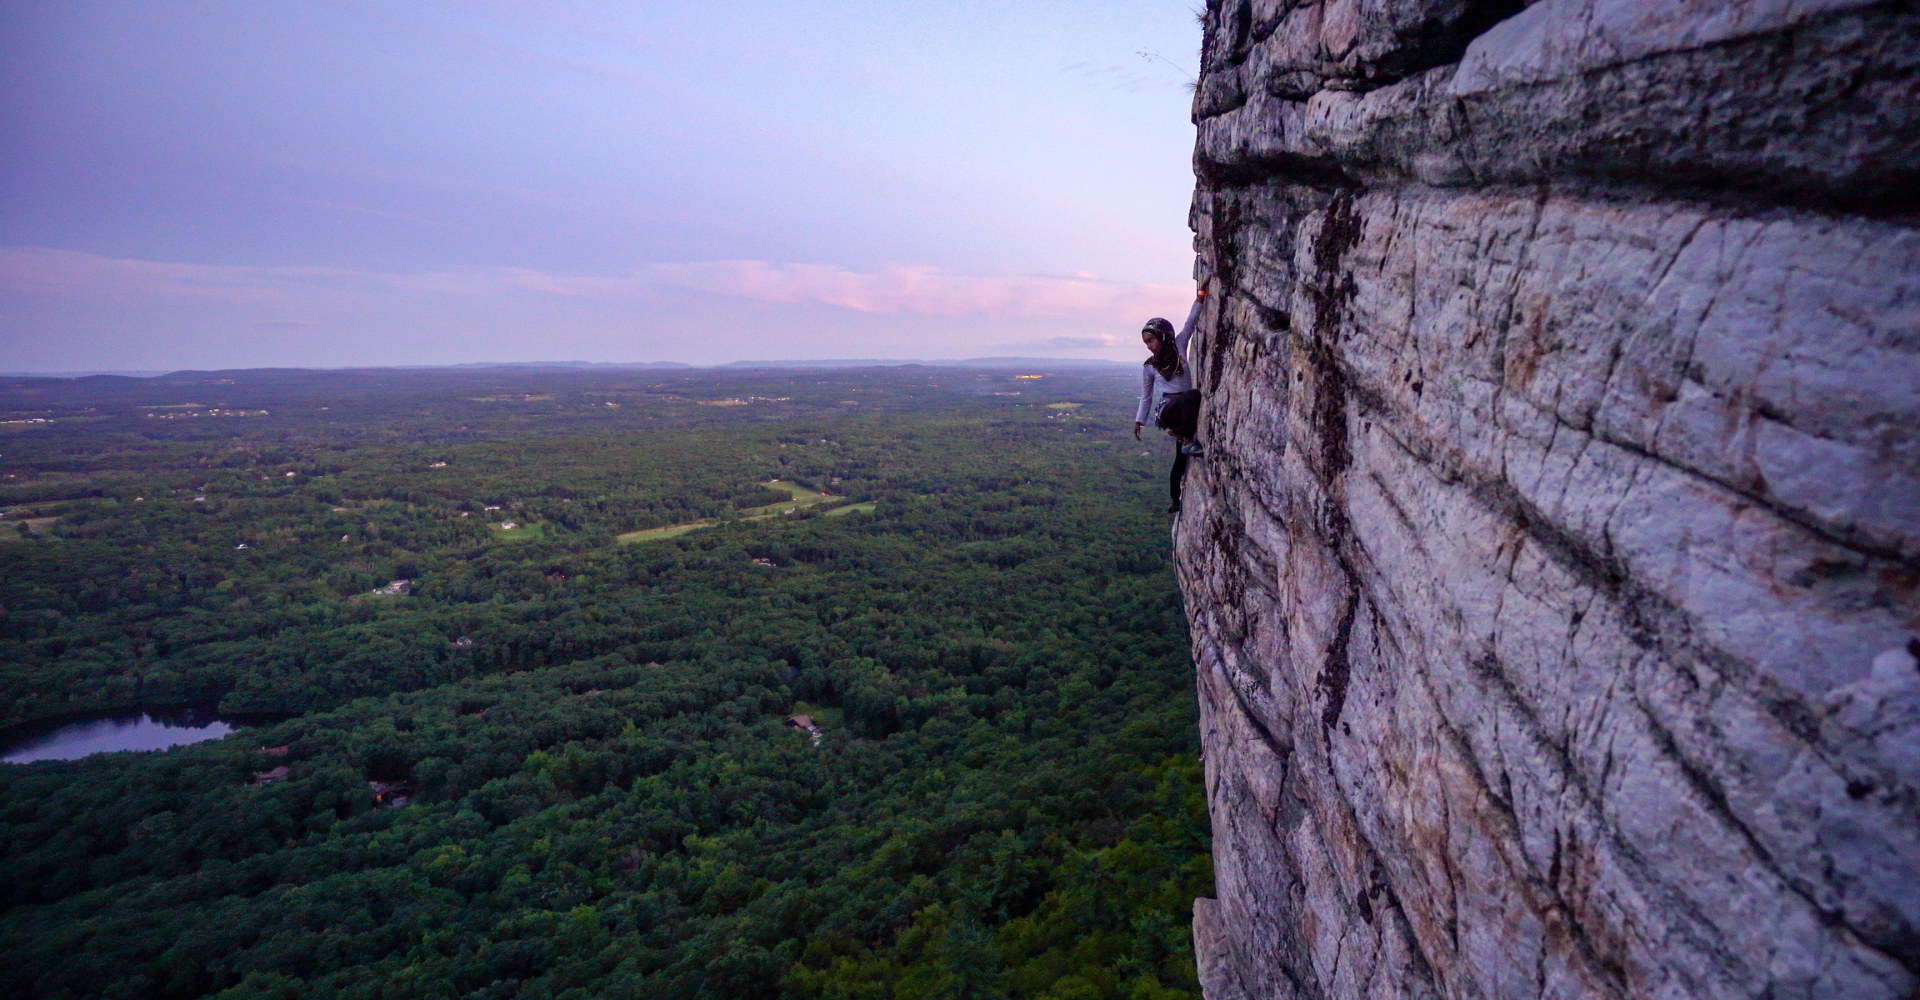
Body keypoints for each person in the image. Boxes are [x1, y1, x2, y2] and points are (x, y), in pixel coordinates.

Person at [1134, 287, 1207, 513]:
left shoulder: (1179, 345)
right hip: (1168, 409)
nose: (1149, 345)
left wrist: (1201, 295)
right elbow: (1146, 396)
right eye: (1146, 342)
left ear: (1162, 335)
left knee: (1180, 459)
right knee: (1189, 397)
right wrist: (1139, 421)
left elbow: (1190, 323)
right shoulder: (1149, 367)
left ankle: (1175, 500)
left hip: (1184, 410)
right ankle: (1183, 437)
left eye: (1151, 340)